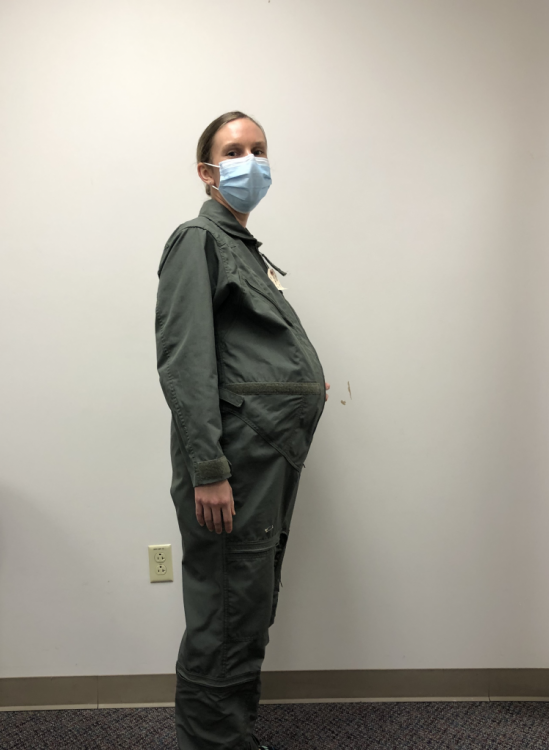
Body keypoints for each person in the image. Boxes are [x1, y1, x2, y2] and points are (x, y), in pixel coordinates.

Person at [155, 111, 330, 750]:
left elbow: (243, 352)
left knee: (247, 604)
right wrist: (209, 470)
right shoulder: (198, 240)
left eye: (259, 148)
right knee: (227, 610)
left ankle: (228, 736)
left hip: (266, 456)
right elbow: (185, 360)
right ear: (207, 172)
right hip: (234, 461)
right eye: (234, 152)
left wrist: (298, 382)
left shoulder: (241, 249)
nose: (250, 161)